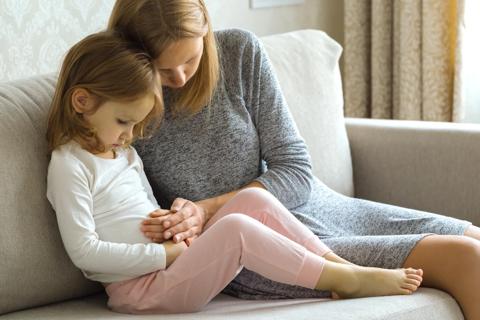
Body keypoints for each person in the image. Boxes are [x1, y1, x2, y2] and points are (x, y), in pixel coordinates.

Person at [107, 0, 480, 319]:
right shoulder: (123, 107)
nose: (181, 77)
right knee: (466, 258)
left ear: (206, 28)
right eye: (163, 68)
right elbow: (138, 220)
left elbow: (296, 170)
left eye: (189, 58)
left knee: (472, 236)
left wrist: (203, 209)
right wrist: (190, 222)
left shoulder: (238, 52)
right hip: (262, 248)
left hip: (318, 205)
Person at [45, 30, 423, 314]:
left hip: (171, 264)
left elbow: (143, 206)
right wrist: (168, 255)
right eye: (124, 122)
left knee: (253, 198)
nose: (130, 136)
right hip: (141, 291)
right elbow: (86, 254)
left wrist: (171, 221)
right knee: (236, 230)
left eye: (136, 126)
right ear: (83, 101)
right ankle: (347, 280)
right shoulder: (69, 165)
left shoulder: (123, 153)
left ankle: (342, 268)